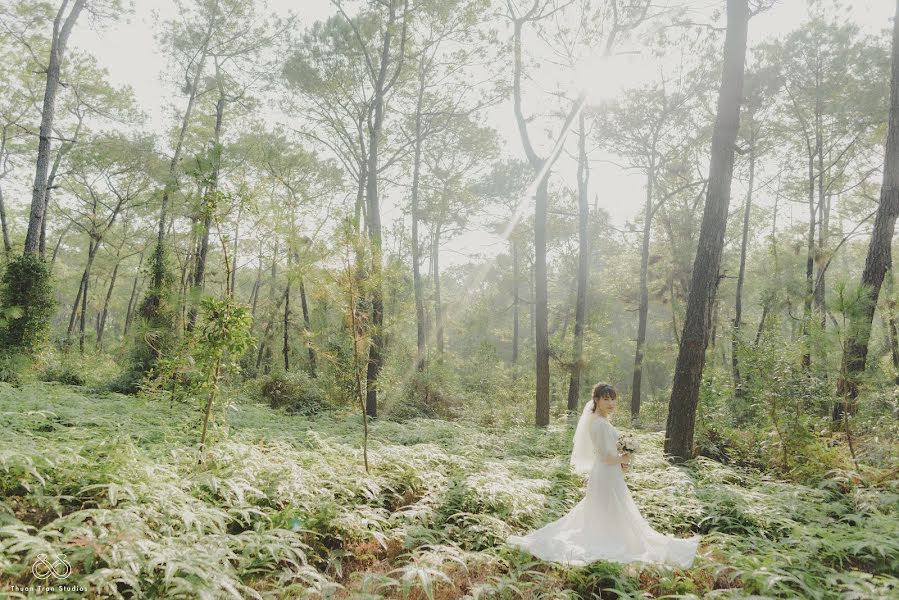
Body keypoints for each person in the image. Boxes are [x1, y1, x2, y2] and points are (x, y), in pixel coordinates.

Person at [506, 382, 700, 568]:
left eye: (613, 399)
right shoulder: (599, 424)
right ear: (596, 400)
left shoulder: (602, 422)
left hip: (608, 473)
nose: (611, 403)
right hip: (606, 473)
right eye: (606, 399)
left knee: (609, 509)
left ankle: (614, 536)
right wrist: (624, 458)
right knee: (612, 507)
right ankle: (613, 541)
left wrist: (623, 460)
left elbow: (608, 454)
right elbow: (606, 456)